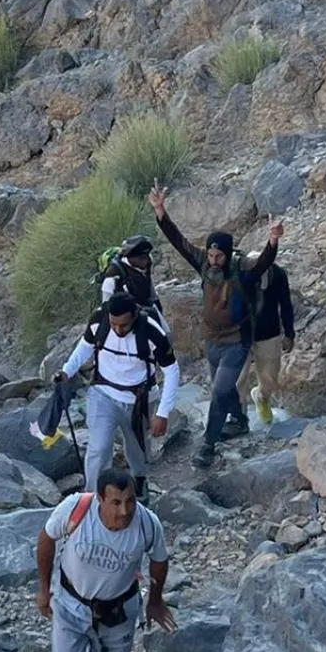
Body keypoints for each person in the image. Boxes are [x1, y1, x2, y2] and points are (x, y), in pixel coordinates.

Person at [37, 467, 175, 652]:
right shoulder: (76, 509)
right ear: (100, 499)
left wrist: (156, 600)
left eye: (130, 501)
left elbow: (159, 560)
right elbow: (47, 539)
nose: (124, 511)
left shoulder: (147, 525)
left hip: (118, 613)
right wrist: (43, 587)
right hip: (71, 606)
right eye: (115, 502)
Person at [149, 184, 283, 468]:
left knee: (219, 391)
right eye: (210, 255)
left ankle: (208, 445)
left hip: (237, 341)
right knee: (225, 390)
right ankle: (240, 420)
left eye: (218, 255)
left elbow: (265, 263)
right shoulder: (203, 265)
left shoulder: (242, 271)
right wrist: (161, 212)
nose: (213, 259)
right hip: (211, 341)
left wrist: (273, 241)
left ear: (227, 253)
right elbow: (179, 242)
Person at [56, 292, 179, 501]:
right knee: (98, 448)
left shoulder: (151, 331)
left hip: (139, 401)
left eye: (123, 325)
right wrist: (67, 371)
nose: (117, 330)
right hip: (103, 394)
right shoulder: (99, 321)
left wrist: (163, 413)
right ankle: (93, 498)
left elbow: (172, 370)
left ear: (133, 316)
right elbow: (85, 347)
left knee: (137, 452)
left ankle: (138, 486)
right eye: (114, 324)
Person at [238, 254, 295, 426]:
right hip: (240, 335)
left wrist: (289, 333)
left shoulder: (277, 274)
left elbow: (285, 303)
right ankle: (239, 419)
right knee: (238, 379)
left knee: (270, 380)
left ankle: (261, 397)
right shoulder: (237, 273)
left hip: (269, 332)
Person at [99, 236, 169, 331]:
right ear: (130, 258)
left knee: (166, 335)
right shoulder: (113, 276)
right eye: (141, 258)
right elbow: (106, 308)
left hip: (147, 310)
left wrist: (157, 307)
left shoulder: (146, 263)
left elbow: (150, 289)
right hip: (124, 321)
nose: (146, 260)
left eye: (147, 256)